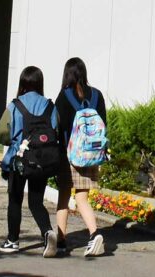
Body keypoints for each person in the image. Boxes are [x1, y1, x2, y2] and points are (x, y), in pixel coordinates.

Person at [0, 66, 61, 256]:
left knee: (15, 200)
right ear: (40, 83)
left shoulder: (15, 105)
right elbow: (56, 131)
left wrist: (12, 142)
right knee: (36, 202)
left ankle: (12, 241)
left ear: (22, 83)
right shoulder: (50, 106)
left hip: (18, 160)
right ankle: (48, 232)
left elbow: (3, 133)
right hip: (42, 160)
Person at [52, 57, 108, 257]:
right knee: (82, 198)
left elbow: (58, 127)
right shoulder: (97, 95)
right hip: (91, 154)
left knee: (63, 198)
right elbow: (104, 124)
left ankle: (61, 241)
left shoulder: (64, 96)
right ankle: (94, 234)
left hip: (70, 155)